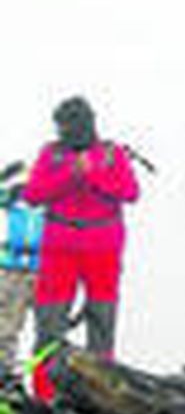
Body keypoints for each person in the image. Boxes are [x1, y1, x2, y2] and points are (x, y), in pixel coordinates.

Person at [22, 97, 140, 365]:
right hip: (59, 250)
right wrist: (71, 174)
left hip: (103, 250)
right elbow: (32, 195)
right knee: (50, 324)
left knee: (102, 322)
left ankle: (99, 390)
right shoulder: (51, 154)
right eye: (61, 125)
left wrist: (93, 174)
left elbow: (130, 193)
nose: (64, 131)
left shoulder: (112, 153)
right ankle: (45, 391)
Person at [0, 164, 42, 385]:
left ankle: (46, 384)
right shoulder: (13, 203)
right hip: (12, 271)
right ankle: (3, 378)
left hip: (43, 272)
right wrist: (5, 176)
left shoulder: (53, 207)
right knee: (6, 327)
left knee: (48, 330)